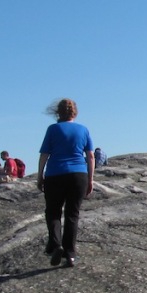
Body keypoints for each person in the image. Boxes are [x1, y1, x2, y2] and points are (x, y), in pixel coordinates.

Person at [38, 98, 95, 268]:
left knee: (53, 212)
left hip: (55, 174)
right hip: (78, 175)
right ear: (74, 113)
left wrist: (40, 176)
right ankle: (70, 255)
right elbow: (90, 156)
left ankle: (56, 246)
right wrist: (90, 179)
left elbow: (44, 155)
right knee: (72, 214)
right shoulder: (83, 130)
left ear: (58, 113)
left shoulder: (53, 129)